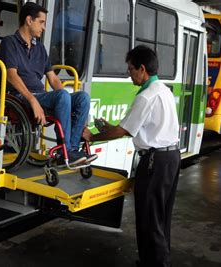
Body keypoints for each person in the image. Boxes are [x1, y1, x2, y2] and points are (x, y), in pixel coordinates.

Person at [83, 45, 180, 267]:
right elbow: (134, 127)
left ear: (142, 69)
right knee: (161, 217)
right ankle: (153, 261)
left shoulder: (146, 96)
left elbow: (124, 131)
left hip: (155, 161)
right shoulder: (163, 90)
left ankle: (156, 264)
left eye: (130, 70)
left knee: (149, 216)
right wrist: (108, 127)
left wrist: (92, 137)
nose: (129, 75)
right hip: (170, 159)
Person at [0, 2, 96, 165]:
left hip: (40, 96)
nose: (43, 27)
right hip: (20, 97)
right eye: (41, 22)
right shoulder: (10, 43)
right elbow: (11, 75)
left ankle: (70, 150)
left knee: (83, 98)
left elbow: (54, 79)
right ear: (29, 20)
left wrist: (70, 102)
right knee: (63, 96)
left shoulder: (40, 48)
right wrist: (32, 100)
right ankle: (67, 151)